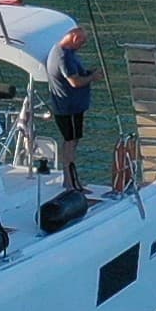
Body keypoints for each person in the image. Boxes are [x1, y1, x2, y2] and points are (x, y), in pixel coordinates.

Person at [45, 25, 97, 191]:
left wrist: (87, 72)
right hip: (69, 107)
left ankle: (71, 180)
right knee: (70, 142)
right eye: (81, 42)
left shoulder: (64, 52)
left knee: (73, 141)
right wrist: (93, 77)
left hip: (72, 106)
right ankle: (70, 182)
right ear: (74, 38)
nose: (82, 46)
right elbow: (74, 82)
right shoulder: (63, 57)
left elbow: (75, 74)